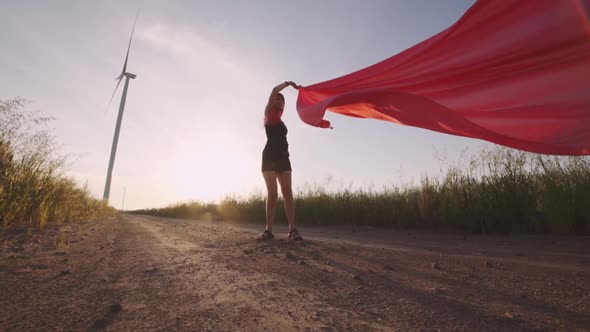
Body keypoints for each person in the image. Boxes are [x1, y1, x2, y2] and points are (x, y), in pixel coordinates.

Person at [256, 81, 303, 241]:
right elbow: (274, 89)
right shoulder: (268, 113)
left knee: (288, 193)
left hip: (283, 157)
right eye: (277, 98)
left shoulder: (282, 122)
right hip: (269, 157)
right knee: (273, 194)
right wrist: (288, 84)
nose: (280, 100)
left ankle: (292, 229)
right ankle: (268, 230)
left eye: (282, 99)